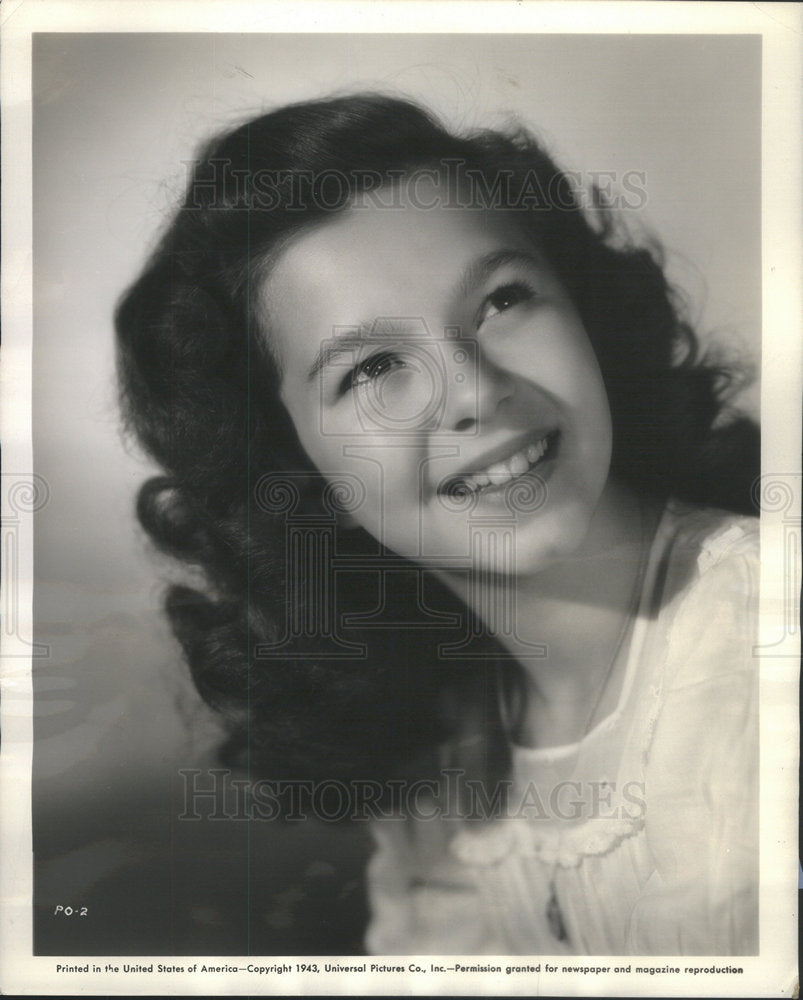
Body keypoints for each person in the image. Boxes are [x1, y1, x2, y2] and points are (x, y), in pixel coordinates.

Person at [115, 93, 760, 955]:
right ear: (292, 466)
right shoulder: (444, 752)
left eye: (501, 301)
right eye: (376, 367)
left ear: (584, 312)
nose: (473, 390)